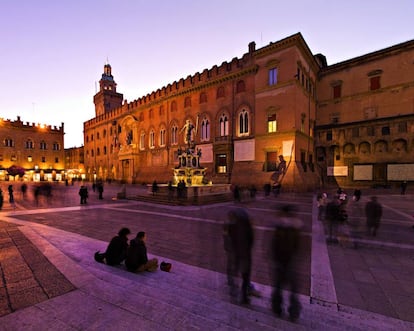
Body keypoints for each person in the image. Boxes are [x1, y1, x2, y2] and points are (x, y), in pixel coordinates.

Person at [270, 205, 303, 321]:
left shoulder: (279, 227)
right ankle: (293, 312)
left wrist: (272, 258)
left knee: (279, 286)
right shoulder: (297, 227)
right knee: (293, 289)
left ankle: (277, 308)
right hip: (291, 261)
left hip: (281, 261)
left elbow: (273, 245)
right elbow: (300, 246)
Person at [226, 208, 254, 304]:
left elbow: (228, 239)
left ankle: (234, 292)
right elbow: (251, 240)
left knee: (235, 272)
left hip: (235, 254)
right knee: (245, 276)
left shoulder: (231, 226)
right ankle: (244, 296)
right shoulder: (247, 227)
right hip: (244, 254)